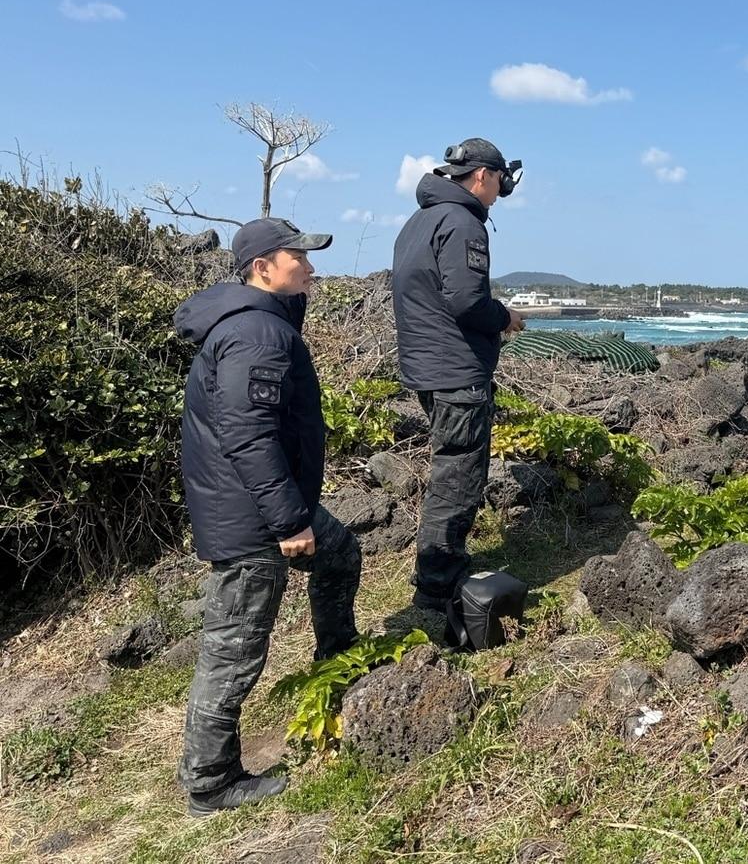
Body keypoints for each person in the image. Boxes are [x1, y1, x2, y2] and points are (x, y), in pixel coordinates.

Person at [174, 218, 361, 816]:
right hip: (255, 518)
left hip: (262, 505)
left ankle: (338, 656)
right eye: (298, 258)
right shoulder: (256, 333)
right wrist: (287, 522)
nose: (311, 267)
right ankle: (210, 782)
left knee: (341, 554)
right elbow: (249, 436)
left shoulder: (260, 322)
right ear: (262, 268)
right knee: (234, 651)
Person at [391, 138, 525, 615]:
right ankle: (438, 586)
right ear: (483, 177)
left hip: (426, 366)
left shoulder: (420, 220)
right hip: (456, 370)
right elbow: (467, 301)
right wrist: (504, 317)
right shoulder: (463, 221)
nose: (497, 196)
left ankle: (437, 572)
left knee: (450, 466)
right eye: (499, 184)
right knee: (459, 476)